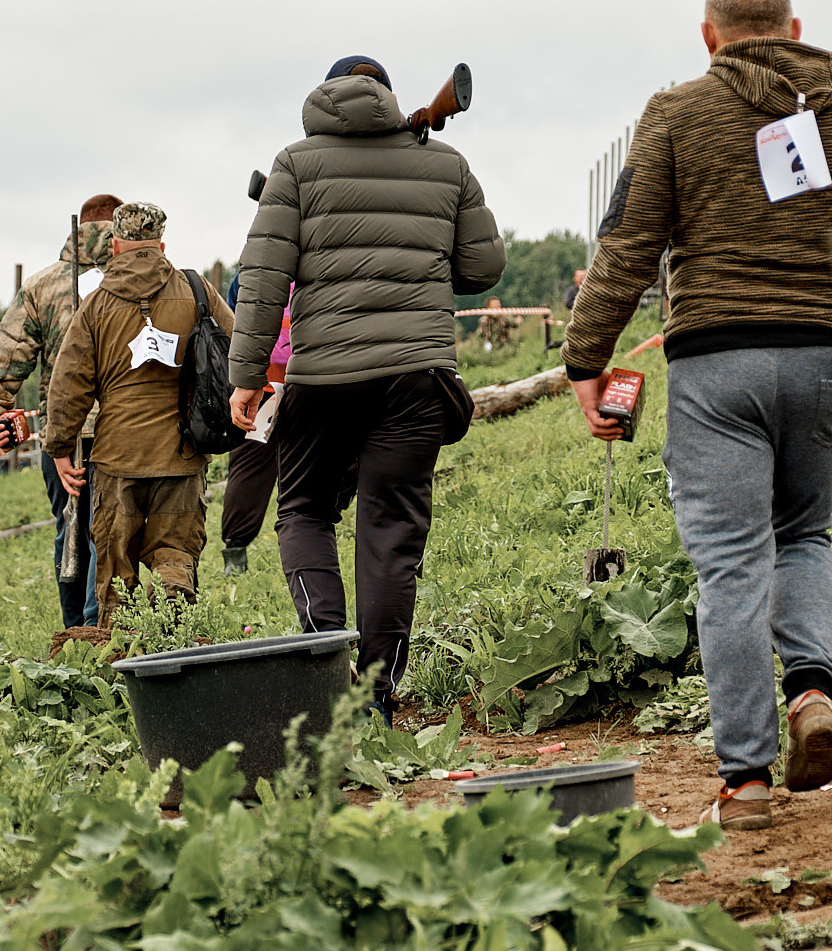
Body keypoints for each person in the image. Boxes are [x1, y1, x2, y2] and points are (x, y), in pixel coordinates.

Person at [561, 0, 832, 832]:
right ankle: (812, 688)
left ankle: (746, 781)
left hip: (716, 362)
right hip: (827, 356)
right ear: (796, 28)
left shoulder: (676, 113)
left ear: (709, 37)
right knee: (803, 533)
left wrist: (588, 356)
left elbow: (627, 247)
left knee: (730, 562)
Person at [229, 55, 505, 712]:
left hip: (324, 375)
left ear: (327, 96)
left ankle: (328, 665)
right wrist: (416, 257)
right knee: (391, 527)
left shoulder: (294, 165)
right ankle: (378, 693)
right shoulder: (447, 162)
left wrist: (246, 377)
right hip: (418, 375)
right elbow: (484, 266)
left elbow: (263, 281)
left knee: (302, 509)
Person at [40, 202, 235, 626]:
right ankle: (172, 640)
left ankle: (119, 663)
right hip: (181, 455)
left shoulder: (95, 305)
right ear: (162, 245)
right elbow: (236, 349)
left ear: (114, 246)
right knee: (176, 557)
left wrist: (58, 448)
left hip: (116, 460)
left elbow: (68, 384)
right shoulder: (195, 289)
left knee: (114, 575)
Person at [0, 194, 120, 627]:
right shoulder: (139, 281)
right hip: (121, 432)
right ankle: (98, 631)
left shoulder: (41, 286)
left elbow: (3, 361)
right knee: (107, 532)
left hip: (61, 437)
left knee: (70, 528)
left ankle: (73, 629)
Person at [216, 272, 293, 575]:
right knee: (251, 467)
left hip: (273, 385)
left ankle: (237, 551)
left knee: (251, 468)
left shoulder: (250, 275)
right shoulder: (249, 277)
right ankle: (236, 548)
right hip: (272, 387)